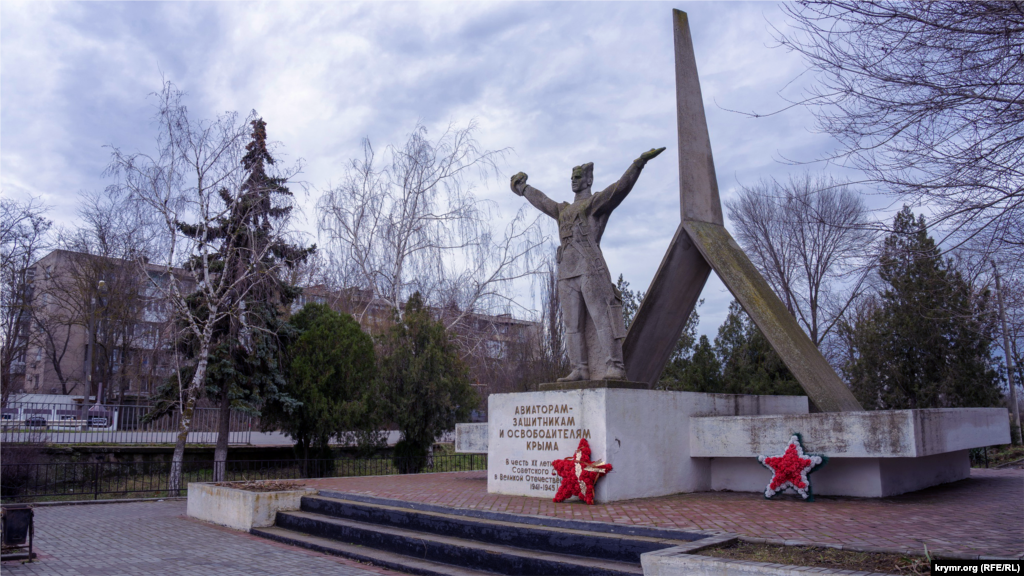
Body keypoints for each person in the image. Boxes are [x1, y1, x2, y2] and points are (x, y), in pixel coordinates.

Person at [511, 147, 665, 381]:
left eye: (578, 177)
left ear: (588, 180)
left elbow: (619, 188)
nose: (573, 181)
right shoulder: (562, 210)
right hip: (566, 273)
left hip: (590, 269)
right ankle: (579, 368)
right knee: (571, 326)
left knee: (603, 318)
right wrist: (523, 188)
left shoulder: (594, 203)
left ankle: (615, 365)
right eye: (572, 177)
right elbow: (542, 201)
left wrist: (638, 164)